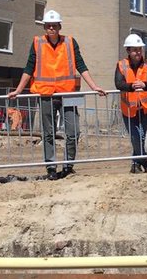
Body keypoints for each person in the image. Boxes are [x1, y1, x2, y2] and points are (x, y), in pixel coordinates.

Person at [7, 9, 107, 180]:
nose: (51, 28)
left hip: (68, 93)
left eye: (54, 25)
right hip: (46, 94)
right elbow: (29, 67)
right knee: (48, 133)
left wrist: (94, 86)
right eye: (48, 26)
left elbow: (81, 65)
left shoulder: (70, 42)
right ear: (45, 27)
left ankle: (68, 166)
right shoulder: (37, 43)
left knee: (73, 131)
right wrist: (18, 89)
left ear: (60, 26)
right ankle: (51, 168)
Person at [114, 33, 147, 173]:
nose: (138, 52)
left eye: (139, 49)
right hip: (128, 109)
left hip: (144, 108)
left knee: (142, 136)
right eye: (134, 49)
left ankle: (136, 164)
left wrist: (144, 84)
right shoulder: (121, 65)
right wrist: (132, 86)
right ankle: (145, 162)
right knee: (136, 136)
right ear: (128, 51)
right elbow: (118, 83)